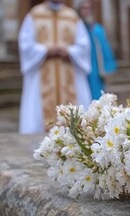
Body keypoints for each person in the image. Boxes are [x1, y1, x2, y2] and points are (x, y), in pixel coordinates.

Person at [18, 0, 92, 134]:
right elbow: (25, 44)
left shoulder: (72, 16)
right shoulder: (34, 15)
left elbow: (84, 45)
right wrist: (45, 51)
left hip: (67, 68)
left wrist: (69, 51)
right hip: (43, 68)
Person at [77, 0, 118, 100]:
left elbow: (105, 49)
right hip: (80, 68)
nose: (86, 11)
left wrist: (107, 67)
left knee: (96, 97)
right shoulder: (76, 29)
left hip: (95, 69)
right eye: (83, 8)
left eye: (88, 8)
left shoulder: (97, 30)